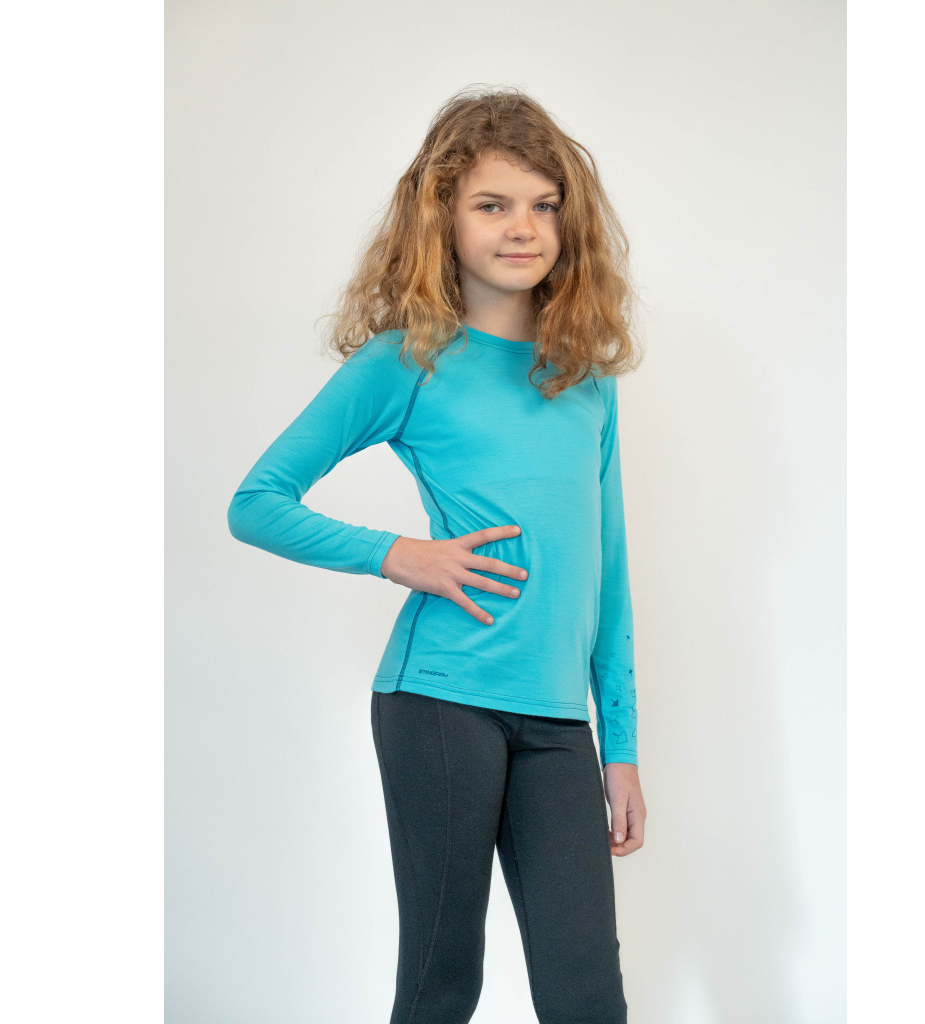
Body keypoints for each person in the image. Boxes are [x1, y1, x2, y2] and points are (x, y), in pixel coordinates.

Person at [227, 85, 648, 1024]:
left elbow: (610, 577)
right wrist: (399, 555)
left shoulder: (586, 380)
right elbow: (255, 504)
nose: (522, 228)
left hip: (557, 725)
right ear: (442, 217)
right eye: (492, 204)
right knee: (442, 978)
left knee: (587, 992)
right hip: (440, 703)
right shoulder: (406, 360)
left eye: (544, 205)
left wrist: (619, 750)